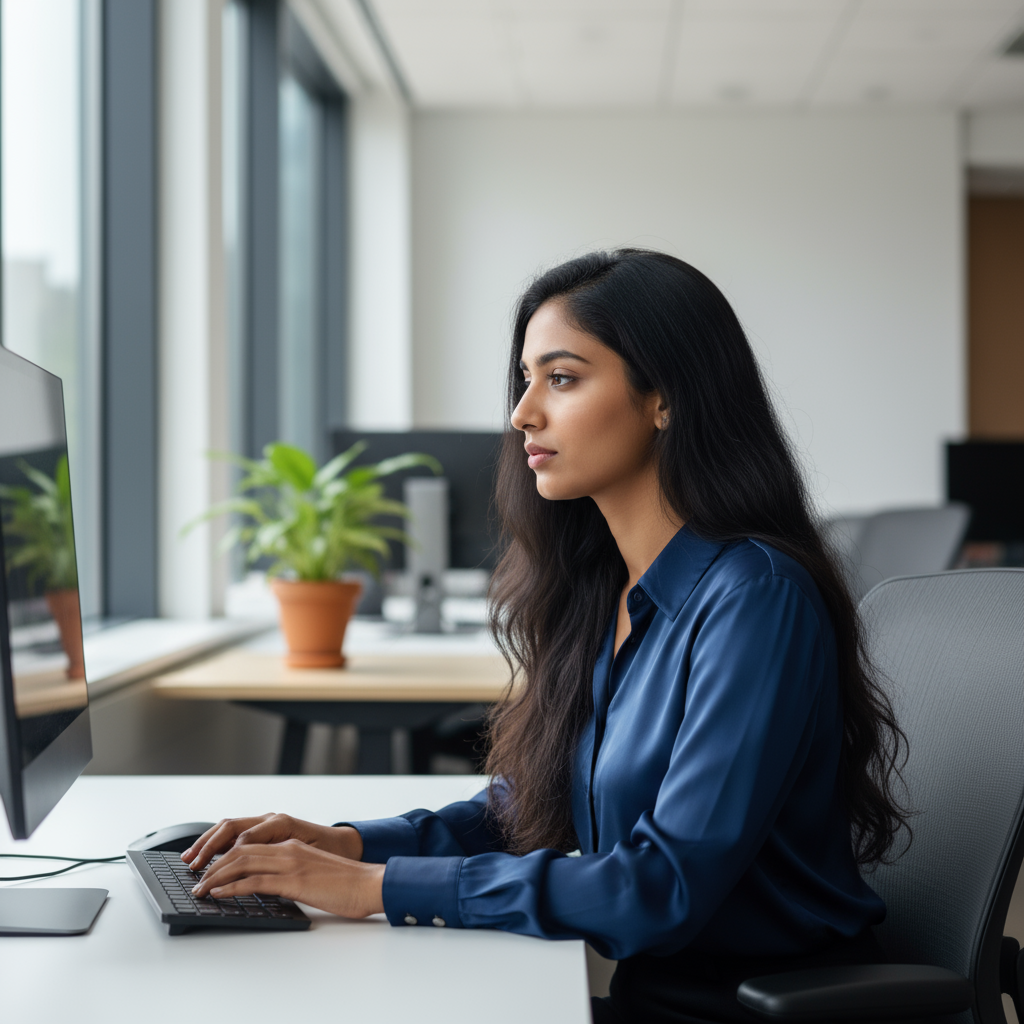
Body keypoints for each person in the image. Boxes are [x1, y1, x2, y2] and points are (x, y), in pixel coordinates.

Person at [185, 249, 909, 1023]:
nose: (522, 413)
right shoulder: (612, 588)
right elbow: (528, 805)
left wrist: (376, 892)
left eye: (561, 378)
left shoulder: (754, 599)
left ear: (663, 398)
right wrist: (346, 846)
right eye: (525, 380)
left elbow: (659, 887)